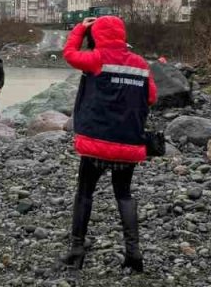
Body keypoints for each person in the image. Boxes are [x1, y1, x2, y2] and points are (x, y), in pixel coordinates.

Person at [59, 16, 157, 273]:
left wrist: (80, 28)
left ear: (98, 34)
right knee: (123, 195)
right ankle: (133, 254)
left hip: (97, 144)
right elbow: (152, 97)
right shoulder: (141, 64)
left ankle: (77, 250)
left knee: (84, 193)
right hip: (128, 144)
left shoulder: (96, 59)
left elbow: (69, 53)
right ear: (122, 35)